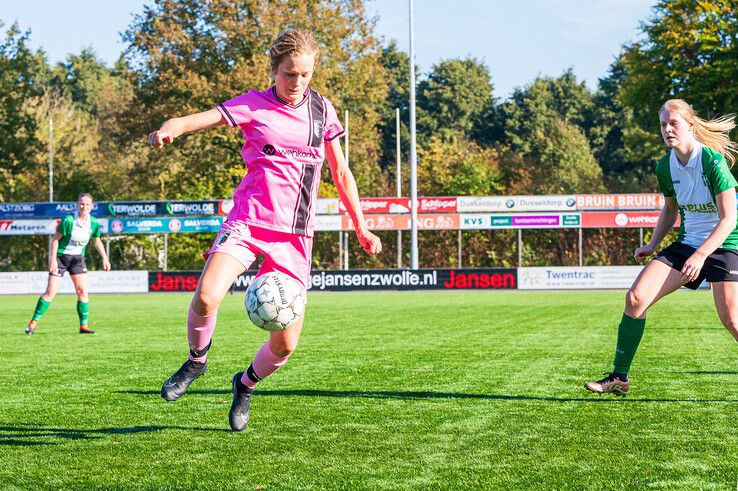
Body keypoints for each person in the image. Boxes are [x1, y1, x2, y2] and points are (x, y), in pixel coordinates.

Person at [149, 29, 382, 431]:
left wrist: (361, 225)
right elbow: (200, 119)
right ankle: (196, 362)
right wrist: (171, 127)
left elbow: (342, 172)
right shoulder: (254, 104)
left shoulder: (322, 111)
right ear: (274, 70)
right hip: (249, 221)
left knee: (286, 344)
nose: (297, 83)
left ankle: (245, 384)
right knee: (206, 297)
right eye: (290, 74)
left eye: (306, 75)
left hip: (295, 234)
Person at [585, 99, 738, 396]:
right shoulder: (665, 167)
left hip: (725, 243)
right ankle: (619, 377)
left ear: (690, 126)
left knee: (732, 319)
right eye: (663, 125)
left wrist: (702, 254)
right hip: (688, 244)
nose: (667, 129)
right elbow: (670, 209)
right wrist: (653, 244)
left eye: (673, 123)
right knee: (635, 298)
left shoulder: (711, 161)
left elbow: (730, 218)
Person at [25, 193, 111, 335]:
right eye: (82, 203)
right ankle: (32, 324)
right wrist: (52, 260)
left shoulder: (94, 223)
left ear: (92, 206)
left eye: (87, 204)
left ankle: (84, 326)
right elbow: (55, 240)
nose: (84, 206)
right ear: (77, 204)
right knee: (51, 292)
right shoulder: (69, 220)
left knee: (82, 292)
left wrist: (105, 258)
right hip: (61, 258)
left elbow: (97, 240)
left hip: (78, 259)